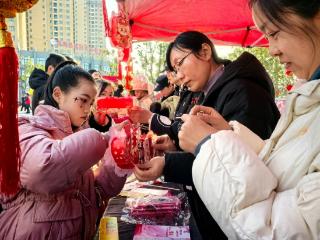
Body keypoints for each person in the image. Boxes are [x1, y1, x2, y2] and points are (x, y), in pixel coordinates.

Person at [176, 1, 320, 239]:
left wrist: (209, 145)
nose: (271, 49)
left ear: (205, 51)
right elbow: (288, 166)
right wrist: (229, 134)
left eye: (273, 33)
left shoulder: (243, 89)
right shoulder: (307, 95)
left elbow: (287, 228)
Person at [134, 31, 281, 239]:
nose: (179, 75)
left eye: (180, 63)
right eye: (175, 69)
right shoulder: (212, 92)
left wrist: (168, 164)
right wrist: (176, 147)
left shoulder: (243, 92)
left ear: (204, 51)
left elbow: (241, 166)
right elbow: (214, 148)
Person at [0, 61, 129, 239]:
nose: (87, 110)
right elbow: (43, 169)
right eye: (82, 100)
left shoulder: (77, 136)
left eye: (91, 104)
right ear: (58, 94)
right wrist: (106, 138)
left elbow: (96, 192)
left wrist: (119, 156)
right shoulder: (27, 128)